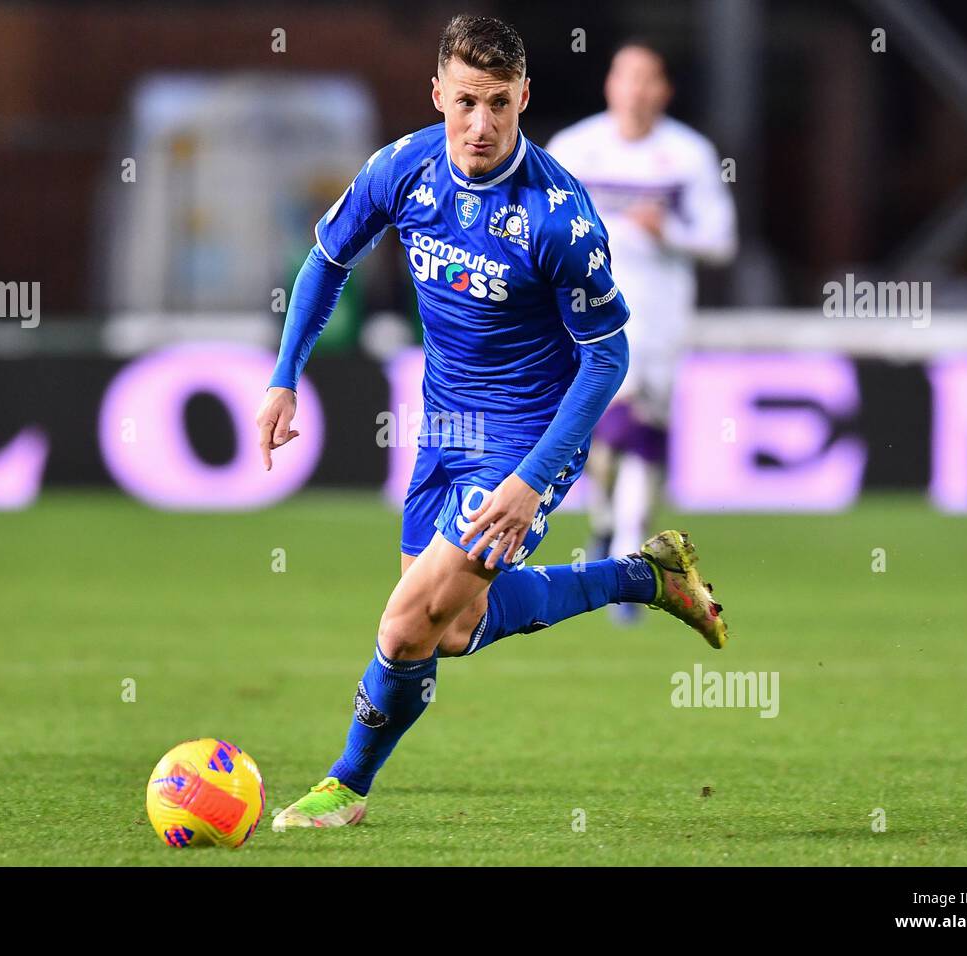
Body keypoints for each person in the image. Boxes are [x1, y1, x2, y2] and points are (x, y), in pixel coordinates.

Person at [256, 15, 728, 831]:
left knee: (405, 626)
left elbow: (608, 360)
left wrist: (531, 479)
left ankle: (344, 787)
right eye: (466, 101)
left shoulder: (557, 216)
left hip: (526, 439)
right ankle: (643, 575)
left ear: (524, 99)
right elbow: (328, 259)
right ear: (438, 93)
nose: (481, 125)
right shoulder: (401, 169)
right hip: (445, 431)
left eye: (500, 104)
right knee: (452, 630)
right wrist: (283, 378)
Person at [547, 40, 737, 623]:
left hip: (659, 320)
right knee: (607, 429)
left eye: (647, 79)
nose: (634, 90)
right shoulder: (574, 149)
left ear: (663, 90)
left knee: (640, 432)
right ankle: (614, 528)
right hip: (585, 317)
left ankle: (624, 543)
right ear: (610, 85)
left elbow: (721, 241)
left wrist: (671, 233)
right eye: (624, 76)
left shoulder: (688, 155)